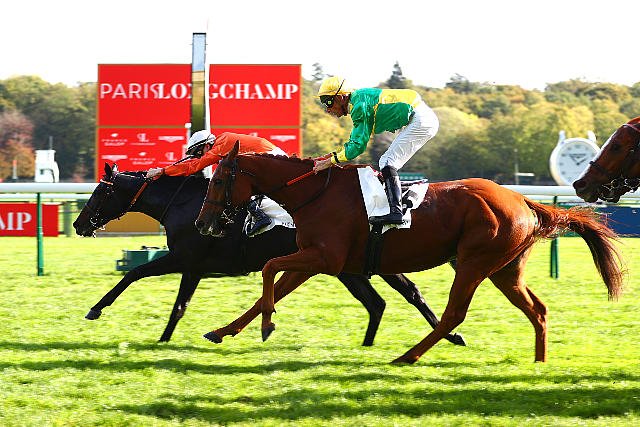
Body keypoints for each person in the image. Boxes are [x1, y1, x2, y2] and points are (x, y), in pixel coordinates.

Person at [313, 76, 439, 225]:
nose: (327, 109)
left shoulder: (359, 106)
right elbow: (353, 142)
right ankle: (398, 199)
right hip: (420, 117)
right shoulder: (358, 100)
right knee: (388, 162)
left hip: (421, 120)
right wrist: (330, 157)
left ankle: (396, 213)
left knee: (387, 161)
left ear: (341, 97)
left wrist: (330, 161)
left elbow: (357, 148)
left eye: (328, 101)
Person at [147, 130, 287, 235]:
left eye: (199, 152)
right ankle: (257, 214)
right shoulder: (221, 142)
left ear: (207, 145)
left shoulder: (220, 146)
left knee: (231, 184)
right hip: (268, 158)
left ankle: (260, 216)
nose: (200, 156)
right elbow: (193, 163)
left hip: (271, 158)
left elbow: (193, 166)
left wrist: (163, 171)